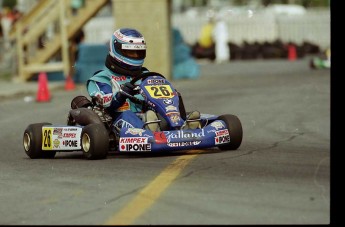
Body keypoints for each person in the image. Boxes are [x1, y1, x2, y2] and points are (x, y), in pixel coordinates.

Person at [84, 28, 201, 132]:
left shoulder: (146, 75)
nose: (135, 55)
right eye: (130, 52)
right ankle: (149, 128)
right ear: (116, 50)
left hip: (150, 114)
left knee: (172, 97)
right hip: (118, 120)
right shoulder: (101, 78)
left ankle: (181, 125)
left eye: (138, 52)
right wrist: (121, 94)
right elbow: (105, 102)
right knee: (127, 114)